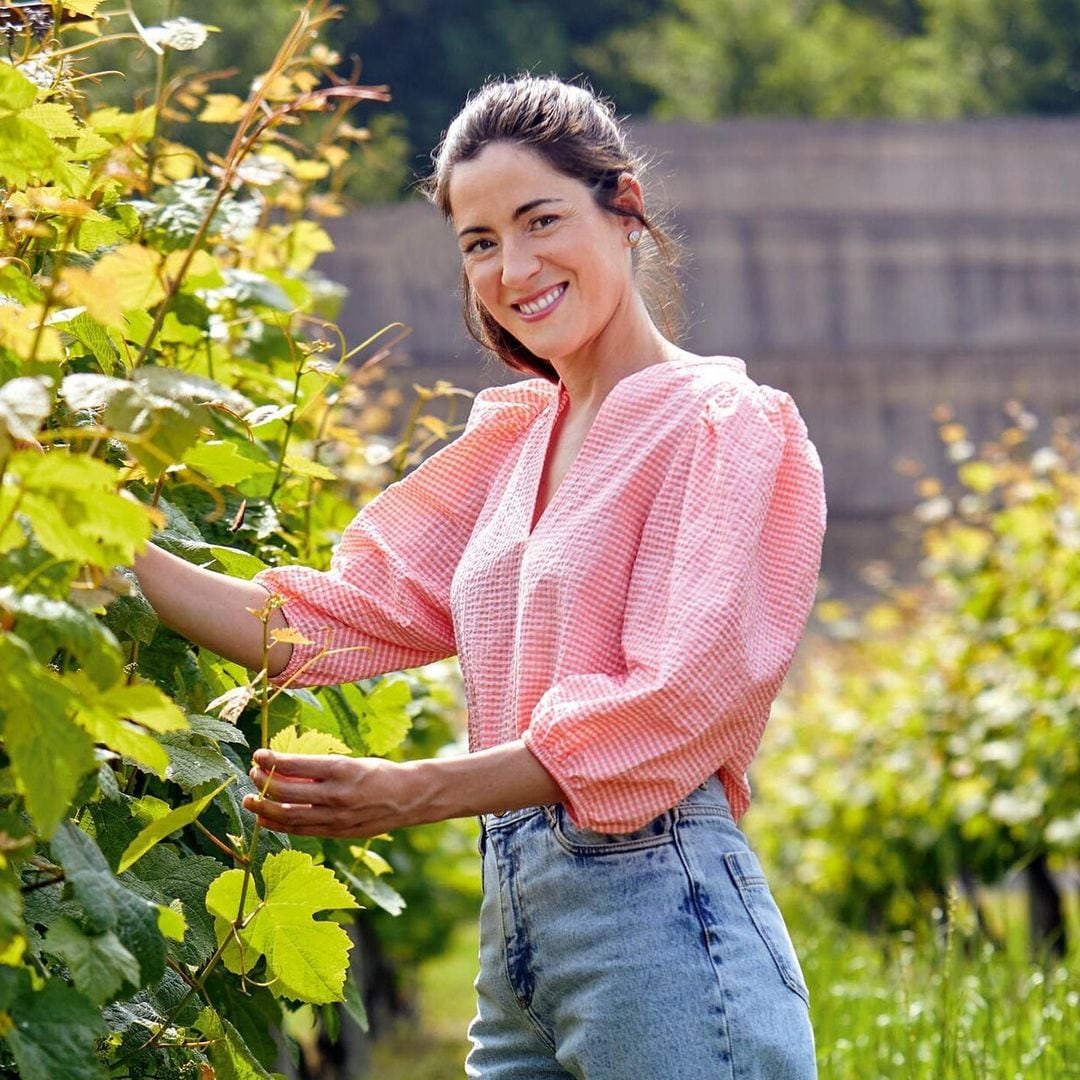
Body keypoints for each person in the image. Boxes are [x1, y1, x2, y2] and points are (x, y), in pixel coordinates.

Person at [132, 75, 826, 1079]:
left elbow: (677, 703)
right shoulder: (512, 441)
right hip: (518, 936)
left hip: (663, 922)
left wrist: (417, 792)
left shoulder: (721, 423)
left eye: (541, 220)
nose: (514, 266)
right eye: (480, 241)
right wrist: (107, 545)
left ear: (623, 205)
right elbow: (323, 621)